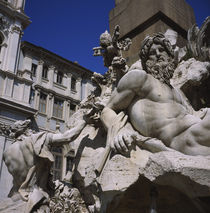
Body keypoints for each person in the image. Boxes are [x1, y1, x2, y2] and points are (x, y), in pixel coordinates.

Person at [101, 33, 210, 156]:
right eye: (152, 53)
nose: (158, 54)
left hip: (198, 131)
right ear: (146, 60)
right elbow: (107, 109)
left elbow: (194, 114)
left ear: (170, 56)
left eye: (162, 50)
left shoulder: (177, 91)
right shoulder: (139, 78)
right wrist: (119, 130)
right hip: (183, 139)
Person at [3, 118, 86, 211]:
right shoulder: (38, 140)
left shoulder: (7, 152)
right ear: (27, 130)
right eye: (30, 129)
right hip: (36, 199)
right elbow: (67, 137)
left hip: (15, 199)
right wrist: (85, 121)